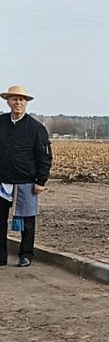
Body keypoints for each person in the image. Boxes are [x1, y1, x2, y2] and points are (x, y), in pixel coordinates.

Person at [0, 85, 52, 268]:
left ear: (26, 103)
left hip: (27, 182)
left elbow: (44, 156)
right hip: (2, 182)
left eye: (21, 100)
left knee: (27, 221)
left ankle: (26, 254)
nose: (18, 103)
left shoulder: (36, 128)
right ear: (8, 101)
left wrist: (41, 181)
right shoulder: (1, 123)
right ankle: (1, 256)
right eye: (14, 99)